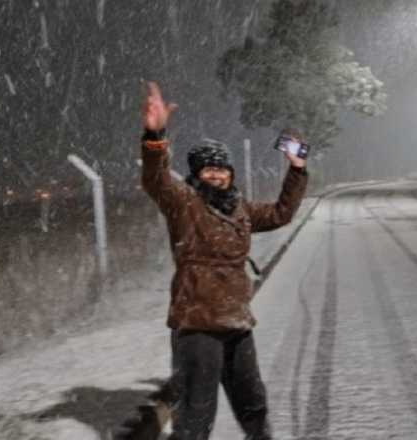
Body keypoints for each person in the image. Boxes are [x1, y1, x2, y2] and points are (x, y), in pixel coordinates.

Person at [139, 81, 308, 439]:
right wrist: (155, 136)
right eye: (207, 169)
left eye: (222, 168)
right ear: (196, 174)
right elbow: (155, 179)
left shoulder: (240, 207)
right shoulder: (184, 203)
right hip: (198, 324)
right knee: (197, 416)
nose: (216, 173)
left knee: (253, 404)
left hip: (237, 321)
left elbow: (280, 214)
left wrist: (296, 170)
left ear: (231, 172)